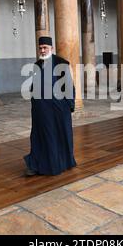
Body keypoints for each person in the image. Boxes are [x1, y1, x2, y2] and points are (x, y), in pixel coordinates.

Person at [24, 36, 77, 176]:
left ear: (51, 49)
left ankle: (61, 163)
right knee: (40, 137)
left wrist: (69, 106)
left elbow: (69, 87)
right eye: (40, 48)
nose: (42, 50)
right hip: (40, 110)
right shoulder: (37, 65)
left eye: (45, 48)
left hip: (58, 109)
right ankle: (36, 165)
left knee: (59, 135)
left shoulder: (62, 63)